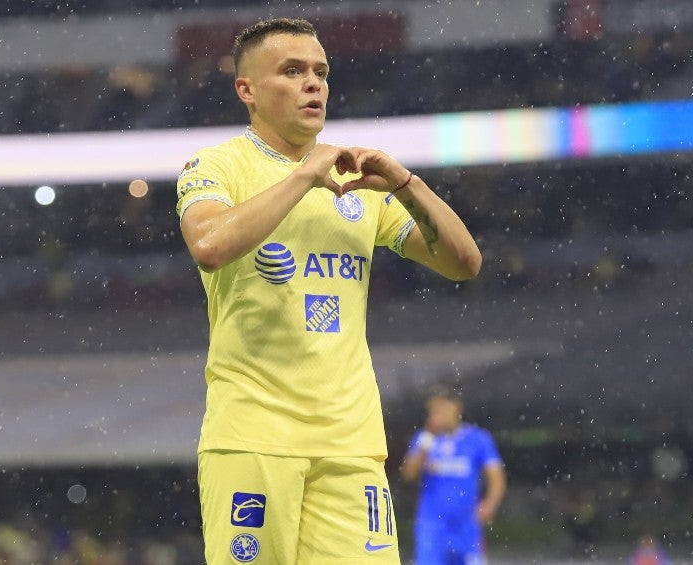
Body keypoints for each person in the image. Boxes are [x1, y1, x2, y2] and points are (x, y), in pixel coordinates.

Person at [175, 17, 482, 564]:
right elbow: (209, 243)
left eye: (320, 72)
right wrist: (302, 176)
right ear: (246, 89)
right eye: (292, 71)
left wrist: (408, 185)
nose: (313, 84)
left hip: (351, 442)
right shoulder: (217, 165)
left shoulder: (358, 182)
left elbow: (463, 263)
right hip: (253, 435)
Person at [400, 385, 506, 565]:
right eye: (432, 411)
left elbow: (496, 476)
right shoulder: (424, 439)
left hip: (466, 524)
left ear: (456, 408)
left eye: (441, 409)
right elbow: (409, 474)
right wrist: (428, 438)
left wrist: (490, 503)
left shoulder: (478, 439)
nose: (436, 415)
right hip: (432, 526)